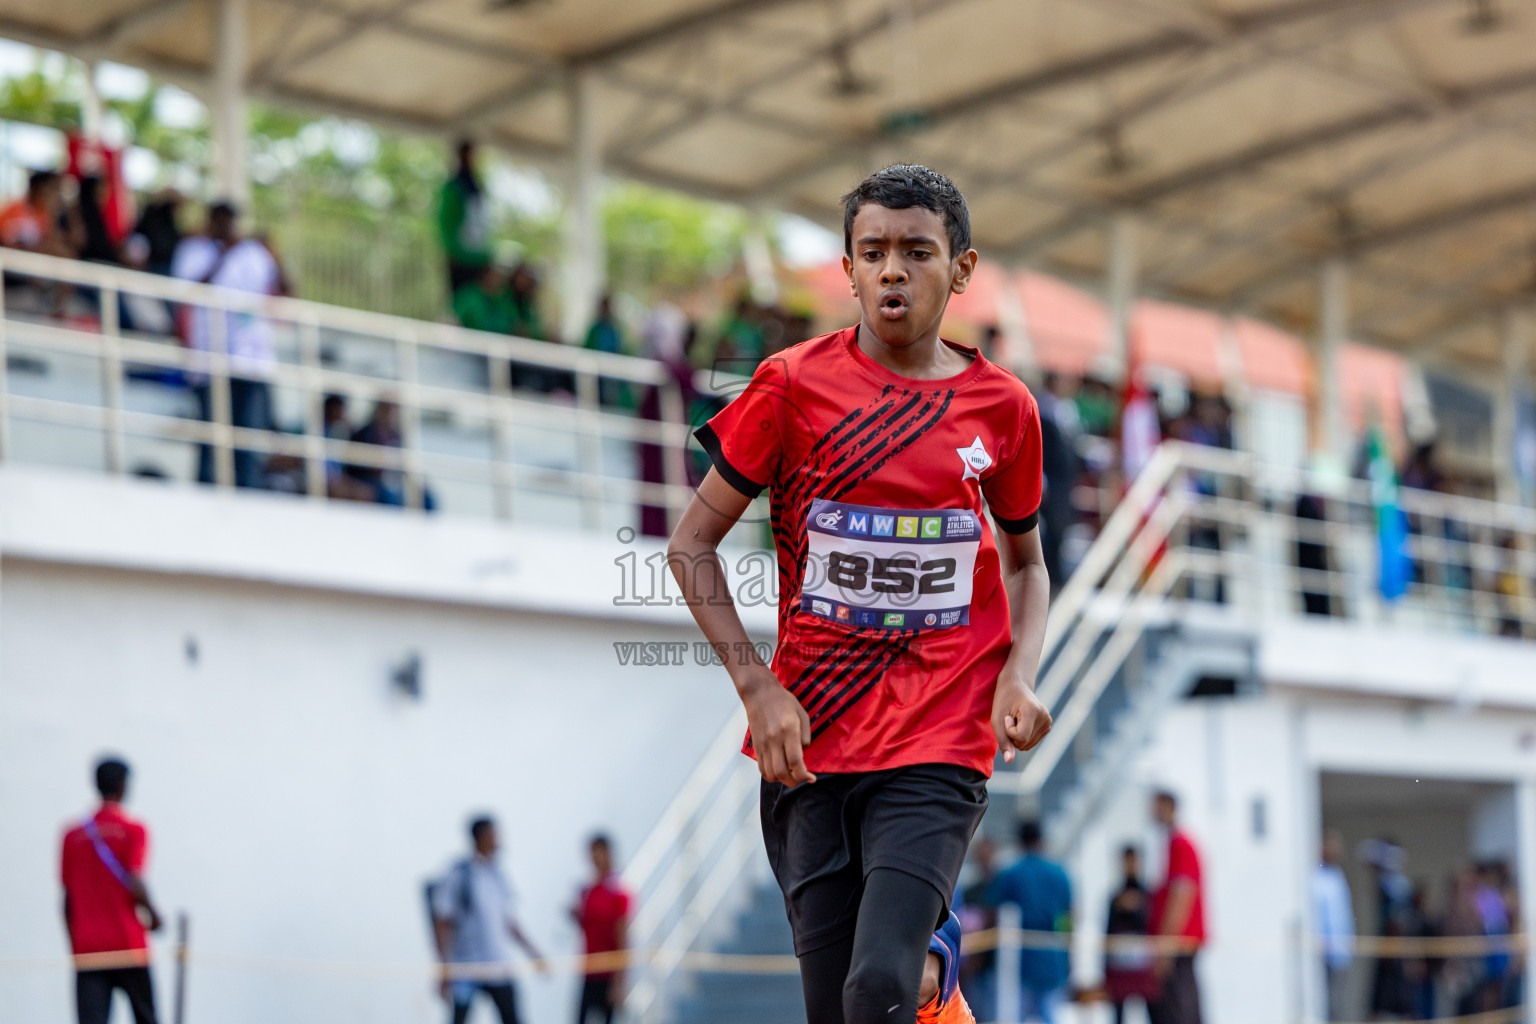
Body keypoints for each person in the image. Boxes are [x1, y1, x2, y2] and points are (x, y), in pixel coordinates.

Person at [666, 164, 1052, 1024]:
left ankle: (929, 967)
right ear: (846, 269)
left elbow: (1027, 565)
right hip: (809, 742)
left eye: (917, 252)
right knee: (840, 1006)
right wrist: (757, 688)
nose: (892, 271)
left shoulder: (1004, 409)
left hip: (941, 735)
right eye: (872, 251)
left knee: (880, 984)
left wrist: (1019, 675)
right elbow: (690, 546)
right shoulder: (790, 387)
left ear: (961, 268)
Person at [170, 201, 283, 489]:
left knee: (247, 439)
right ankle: (206, 492)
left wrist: (275, 253)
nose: (226, 226)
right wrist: (224, 255)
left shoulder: (253, 253)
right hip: (210, 359)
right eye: (220, 220)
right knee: (212, 436)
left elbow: (284, 291)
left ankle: (247, 494)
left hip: (252, 361)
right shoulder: (194, 250)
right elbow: (186, 293)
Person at [60, 757, 164, 1024]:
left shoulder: (72, 836)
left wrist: (75, 944)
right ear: (122, 786)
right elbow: (135, 880)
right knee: (147, 1018)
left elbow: (67, 900)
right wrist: (154, 916)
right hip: (128, 944)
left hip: (88, 950)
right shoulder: (132, 830)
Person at [431, 816, 546, 1024]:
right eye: (493, 835)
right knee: (459, 1018)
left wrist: (533, 953)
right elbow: (442, 921)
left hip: (497, 965)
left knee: (512, 1017)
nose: (497, 841)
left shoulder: (497, 875)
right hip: (467, 966)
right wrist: (444, 967)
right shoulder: (459, 875)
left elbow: (510, 923)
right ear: (481, 837)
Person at [988, 821, 1072, 1022]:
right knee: (1051, 1014)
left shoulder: (1012, 873)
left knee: (1018, 1015)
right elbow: (1068, 918)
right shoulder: (1059, 873)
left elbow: (992, 911)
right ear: (1041, 840)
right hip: (1053, 953)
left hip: (1022, 955)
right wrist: (1068, 952)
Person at [1148, 790, 1205, 1024]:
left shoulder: (1181, 844)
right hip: (1178, 940)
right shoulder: (1172, 843)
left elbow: (1182, 896)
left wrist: (1166, 944)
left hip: (1180, 941)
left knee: (1179, 1007)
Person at [570, 834, 633, 1024]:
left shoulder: (618, 890)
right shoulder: (587, 890)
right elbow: (588, 927)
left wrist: (620, 982)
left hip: (609, 973)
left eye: (598, 852)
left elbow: (622, 936)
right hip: (589, 971)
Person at [1105, 844, 1156, 1024]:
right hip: (1119, 963)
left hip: (1143, 962)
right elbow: (1108, 931)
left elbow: (1152, 925)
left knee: (1152, 1006)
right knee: (1118, 1011)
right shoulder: (1115, 897)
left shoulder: (1147, 895)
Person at [437, 139, 491, 298]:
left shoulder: (477, 187)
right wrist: (451, 250)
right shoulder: (454, 186)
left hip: (478, 256)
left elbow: (483, 222)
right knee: (461, 299)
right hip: (460, 255)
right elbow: (446, 220)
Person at [1313, 830, 1355, 1021]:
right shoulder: (1315, 877)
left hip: (1339, 952)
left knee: (1336, 1003)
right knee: (1324, 1004)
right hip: (1323, 952)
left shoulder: (1337, 876)